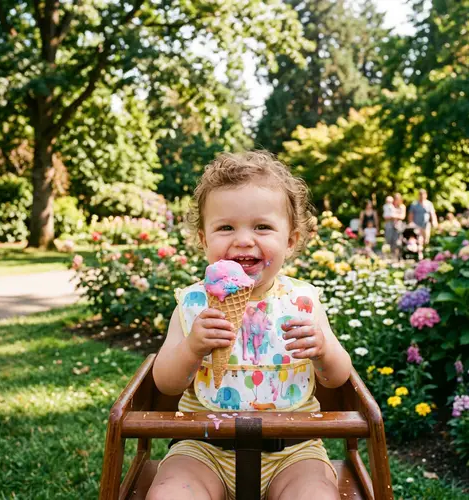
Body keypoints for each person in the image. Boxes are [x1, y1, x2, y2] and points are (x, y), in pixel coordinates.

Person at [147, 151, 351, 500]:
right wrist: (192, 347)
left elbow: (338, 377)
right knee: (171, 494)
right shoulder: (194, 304)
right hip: (203, 446)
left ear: (290, 241)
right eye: (226, 227)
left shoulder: (303, 300)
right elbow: (165, 383)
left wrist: (323, 349)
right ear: (203, 239)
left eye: (262, 227)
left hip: (294, 449)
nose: (243, 239)